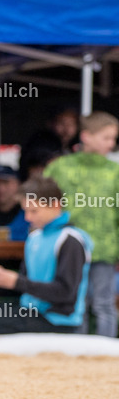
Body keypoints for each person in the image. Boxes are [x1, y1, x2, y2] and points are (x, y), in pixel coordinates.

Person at [0, 177, 91, 335]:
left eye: (34, 211)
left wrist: (15, 281)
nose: (28, 218)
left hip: (57, 321)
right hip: (29, 311)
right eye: (25, 211)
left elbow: (65, 293)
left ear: (55, 205)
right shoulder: (34, 237)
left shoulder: (70, 239)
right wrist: (2, 278)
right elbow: (25, 283)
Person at [43, 111, 119, 337]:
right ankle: (77, 355)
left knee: (103, 304)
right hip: (68, 248)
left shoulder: (115, 171)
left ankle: (107, 356)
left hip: (105, 249)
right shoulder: (61, 167)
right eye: (106, 137)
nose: (111, 143)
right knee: (75, 304)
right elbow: (44, 201)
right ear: (86, 136)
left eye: (113, 138)